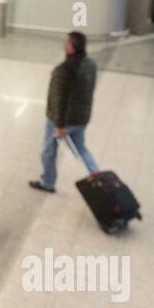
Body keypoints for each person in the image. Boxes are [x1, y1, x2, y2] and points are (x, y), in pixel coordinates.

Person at [29, 32, 100, 193]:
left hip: (61, 120)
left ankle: (47, 182)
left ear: (71, 48)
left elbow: (58, 100)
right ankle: (98, 176)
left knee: (48, 149)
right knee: (81, 149)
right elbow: (80, 86)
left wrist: (60, 125)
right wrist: (58, 75)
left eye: (67, 43)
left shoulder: (64, 70)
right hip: (81, 118)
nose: (65, 45)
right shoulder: (90, 64)